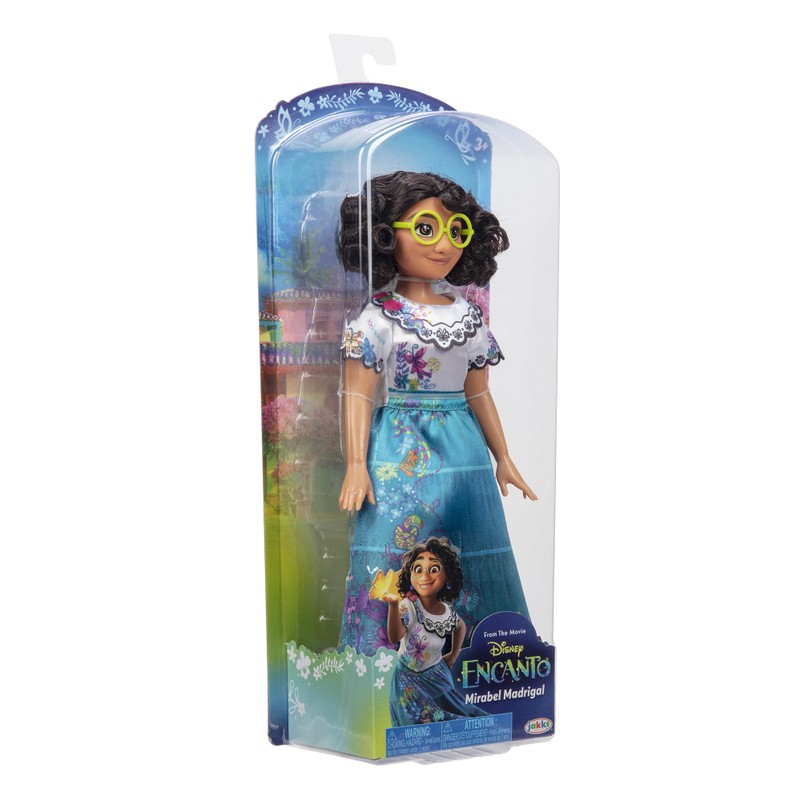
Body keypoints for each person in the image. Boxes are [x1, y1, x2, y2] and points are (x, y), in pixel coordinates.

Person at [338, 171, 535, 656]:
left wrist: (503, 457)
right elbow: (357, 393)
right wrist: (356, 464)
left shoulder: (467, 316)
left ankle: (482, 655)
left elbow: (479, 393)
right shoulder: (378, 317)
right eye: (425, 228)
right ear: (385, 235)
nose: (443, 244)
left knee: (474, 540)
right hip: (399, 447)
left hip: (464, 450)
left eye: (456, 230)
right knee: (393, 542)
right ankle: (379, 661)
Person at [382, 537, 486, 726]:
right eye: (418, 569)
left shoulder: (447, 612)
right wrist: (394, 605)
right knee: (415, 722)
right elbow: (395, 636)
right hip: (407, 679)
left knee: (458, 714)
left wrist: (453, 655)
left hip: (436, 677)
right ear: (410, 574)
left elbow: (460, 626)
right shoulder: (409, 606)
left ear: (448, 575)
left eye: (434, 569)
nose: (424, 576)